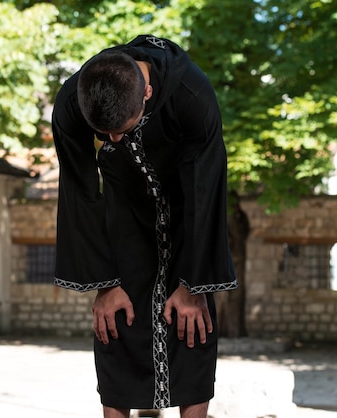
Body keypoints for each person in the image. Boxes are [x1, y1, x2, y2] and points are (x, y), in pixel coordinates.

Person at [51, 34, 238, 418]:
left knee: (192, 322)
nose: (114, 139)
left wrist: (191, 286)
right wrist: (105, 284)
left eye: (122, 128)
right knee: (116, 320)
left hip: (188, 202)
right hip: (124, 209)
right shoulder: (71, 103)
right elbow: (80, 191)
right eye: (104, 134)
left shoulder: (192, 94)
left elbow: (207, 189)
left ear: (148, 92)